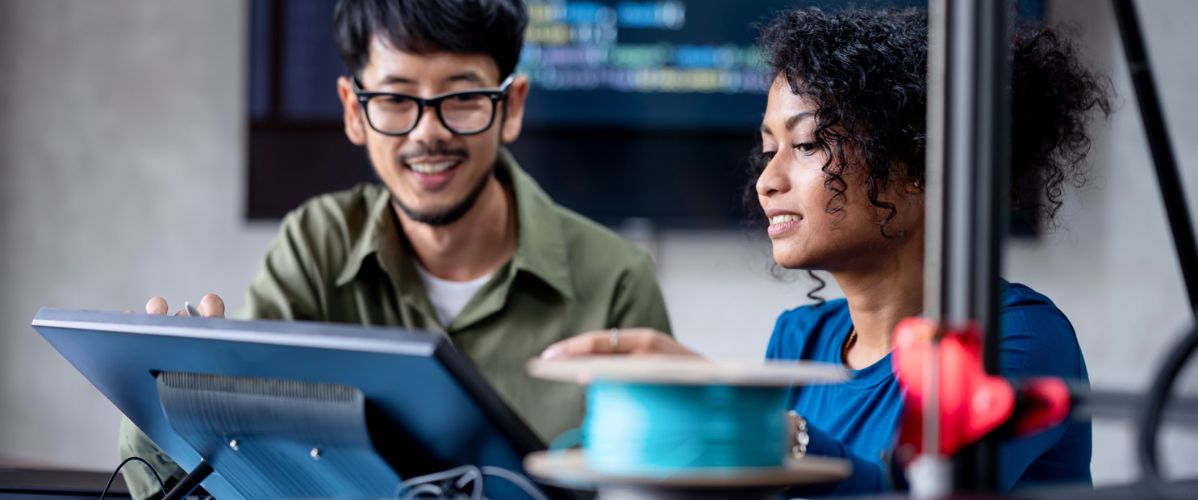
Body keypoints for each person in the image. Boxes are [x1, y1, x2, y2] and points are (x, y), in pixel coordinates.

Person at [541, 7, 1110, 495]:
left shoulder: (1020, 337)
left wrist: (760, 424)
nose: (767, 180)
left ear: (919, 164)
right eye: (769, 149)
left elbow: (919, 490)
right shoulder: (799, 338)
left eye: (807, 143)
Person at [118, 0, 672, 497]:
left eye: (462, 97)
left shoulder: (617, 280)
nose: (428, 133)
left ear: (513, 105)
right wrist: (172, 398)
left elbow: (656, 482)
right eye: (395, 98)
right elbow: (244, 465)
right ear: (355, 110)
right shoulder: (315, 245)